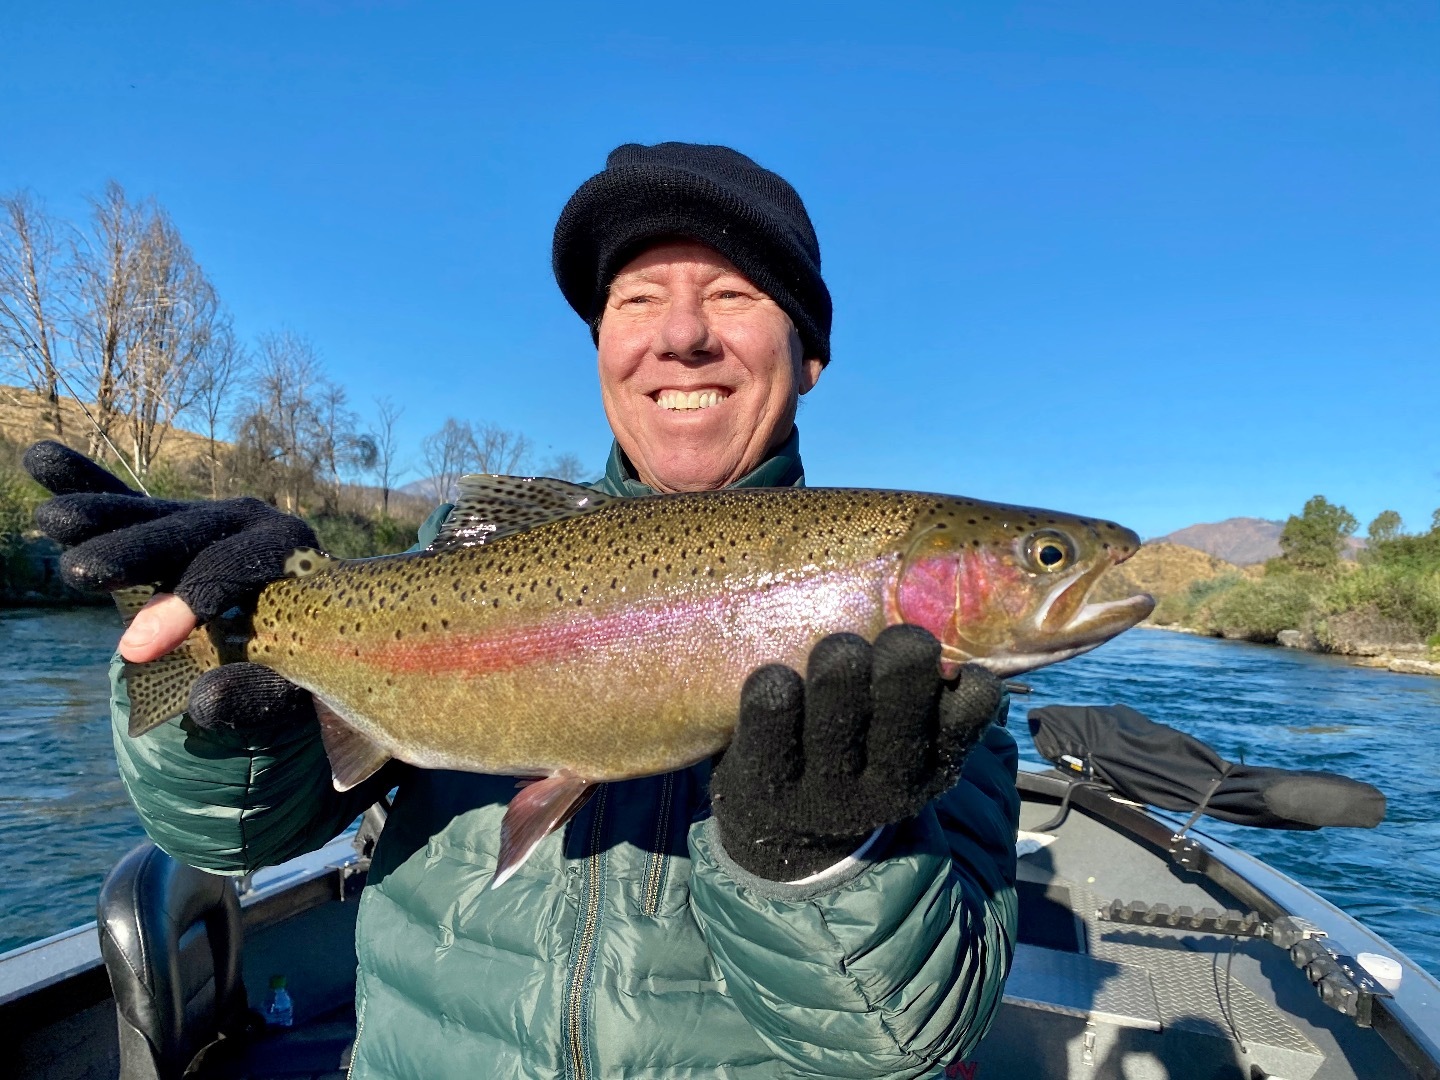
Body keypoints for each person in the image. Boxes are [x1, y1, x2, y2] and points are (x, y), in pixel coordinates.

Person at [27, 143, 1020, 1079]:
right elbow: (231, 837)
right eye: (638, 299)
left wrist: (818, 860)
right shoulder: (451, 570)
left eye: (732, 293)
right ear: (602, 350)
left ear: (809, 356)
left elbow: (909, 1044)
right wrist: (225, 669)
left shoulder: (940, 698)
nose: (683, 334)